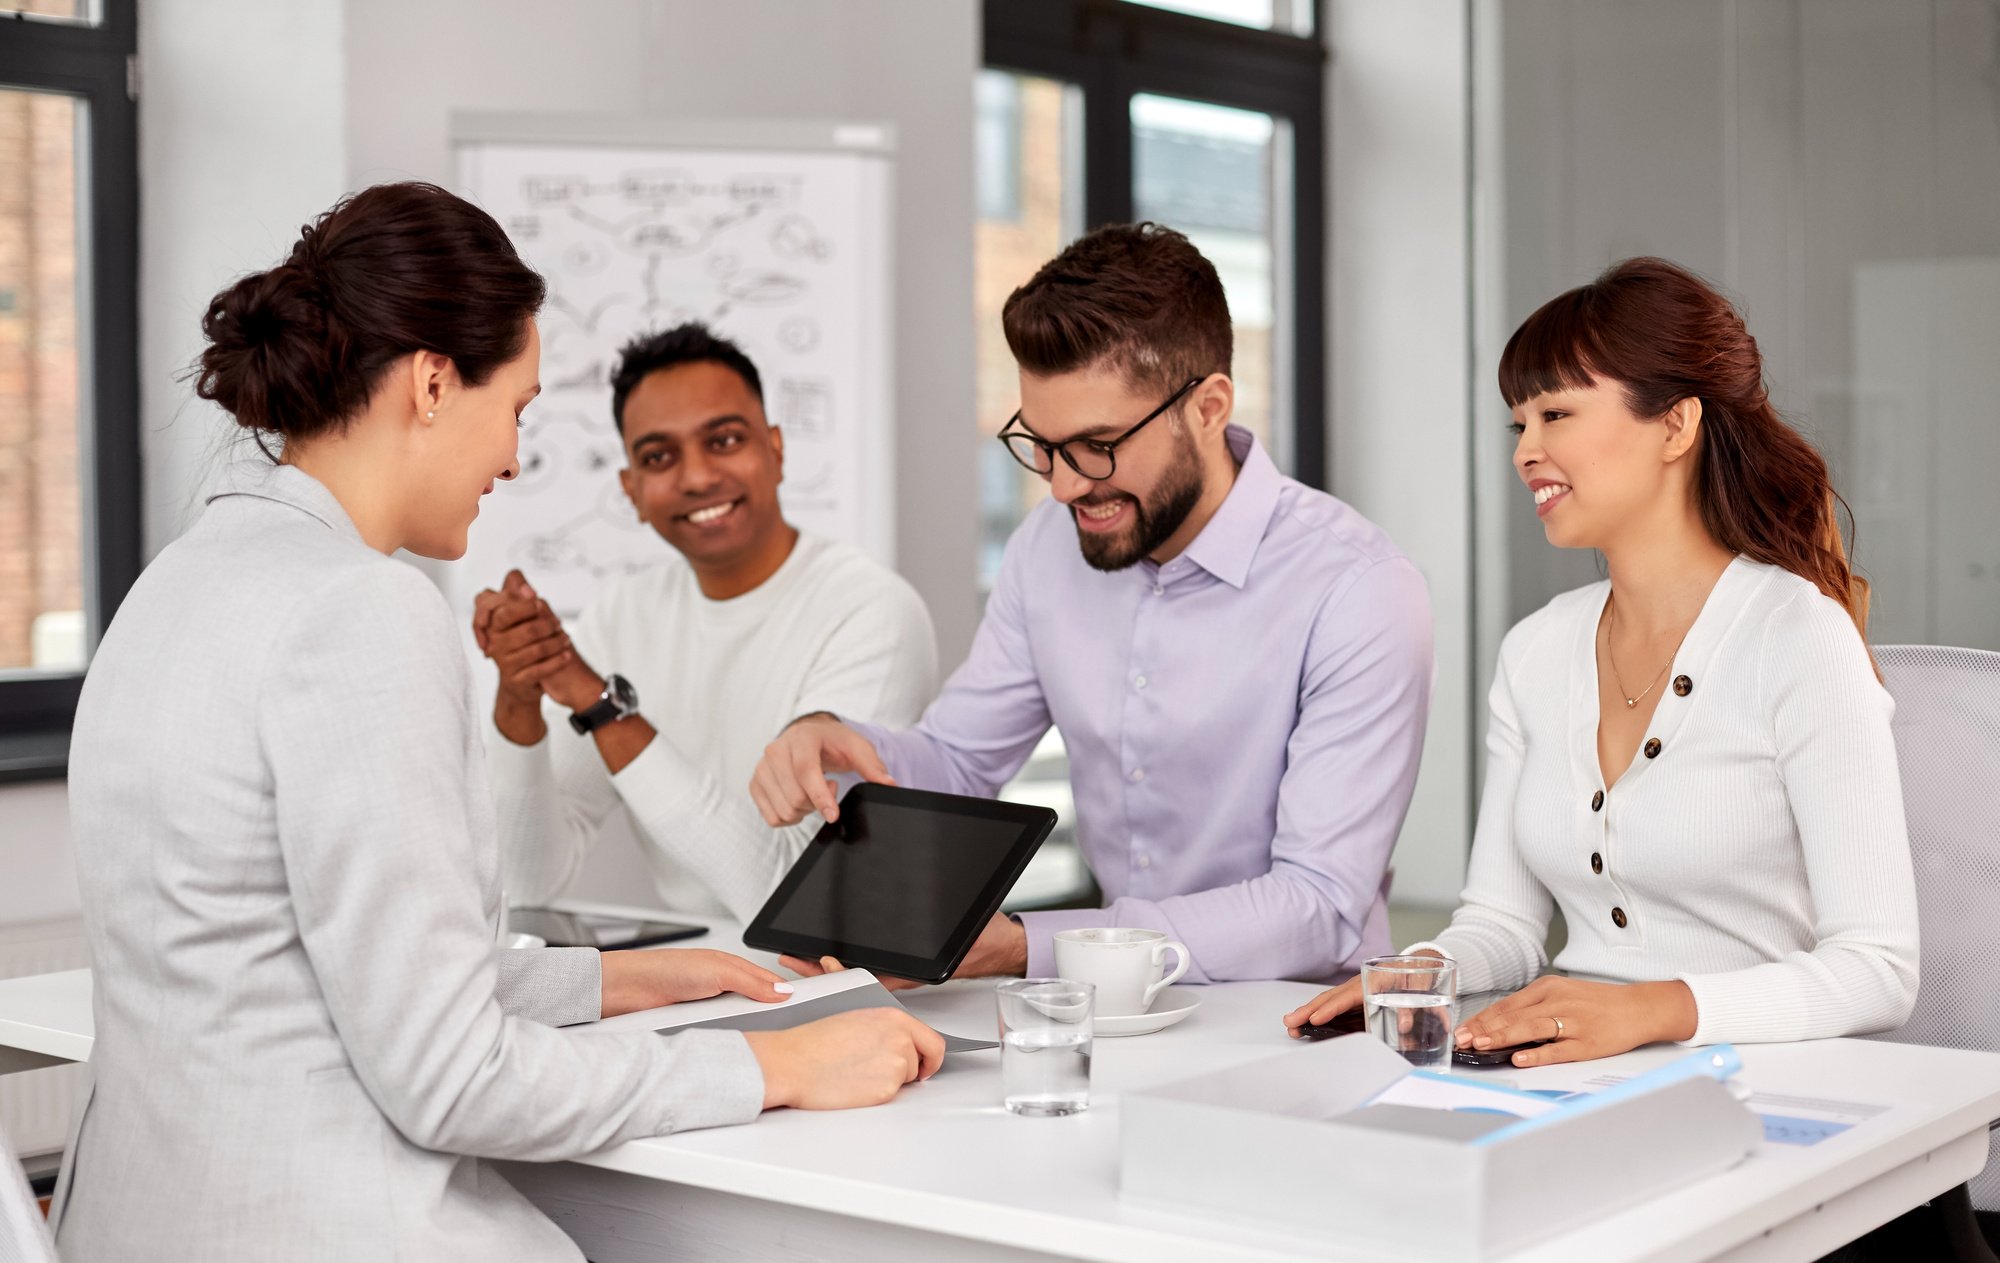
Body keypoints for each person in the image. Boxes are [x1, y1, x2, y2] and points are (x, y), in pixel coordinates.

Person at [54, 182, 942, 1263]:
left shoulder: (179, 579)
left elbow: (292, 959)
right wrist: (778, 1070)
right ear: (432, 383)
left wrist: (607, 981)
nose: (514, 458)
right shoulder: (363, 609)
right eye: (515, 409)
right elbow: (450, 1077)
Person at [752, 223, 1434, 985]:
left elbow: (1317, 905)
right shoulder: (1045, 549)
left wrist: (1028, 946)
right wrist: (841, 741)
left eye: (1096, 445)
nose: (1065, 485)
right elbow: (958, 761)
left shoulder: (1357, 588)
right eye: (1041, 445)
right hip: (1111, 1017)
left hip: (1302, 1021)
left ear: (1208, 407)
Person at [1284, 257, 1919, 1064]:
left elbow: (1880, 970)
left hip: (1770, 1083)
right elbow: (1503, 927)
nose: (1526, 451)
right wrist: (1415, 972)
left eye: (1557, 414)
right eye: (1520, 424)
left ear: (1676, 426)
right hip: (1572, 1076)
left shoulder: (1799, 639)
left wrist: (1652, 1010)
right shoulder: (1536, 650)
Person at [474, 323, 937, 923]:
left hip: (836, 977)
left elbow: (791, 894)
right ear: (632, 490)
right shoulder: (622, 617)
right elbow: (528, 880)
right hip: (694, 976)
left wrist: (601, 705)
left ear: (776, 449)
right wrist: (519, 693)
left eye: (723, 440)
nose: (696, 477)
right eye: (659, 456)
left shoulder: (871, 612)